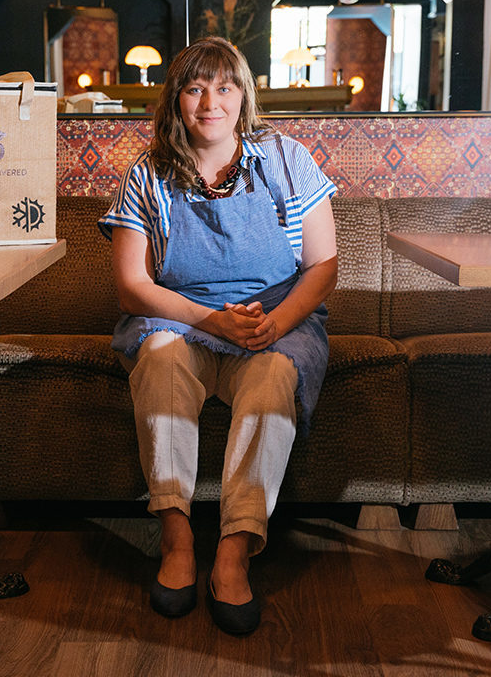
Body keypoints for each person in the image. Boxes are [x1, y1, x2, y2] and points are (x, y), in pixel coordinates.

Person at [98, 37, 338, 635]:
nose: (210, 101)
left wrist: (275, 325)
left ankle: (233, 552)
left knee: (275, 380)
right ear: (176, 99)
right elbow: (132, 287)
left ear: (243, 97)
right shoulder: (148, 173)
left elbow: (324, 264)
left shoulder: (287, 159)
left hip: (272, 326)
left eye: (224, 87)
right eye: (195, 87)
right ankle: (177, 541)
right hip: (180, 322)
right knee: (157, 359)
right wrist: (210, 320)